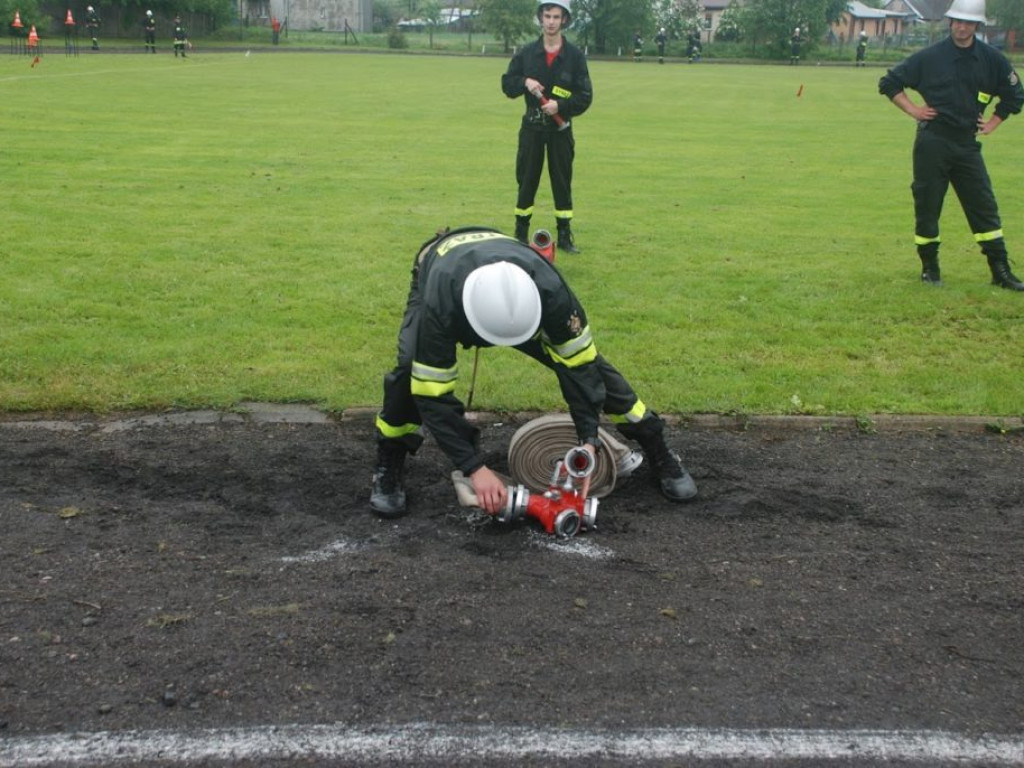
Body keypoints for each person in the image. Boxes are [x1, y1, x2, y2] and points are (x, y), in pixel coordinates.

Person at [370, 226, 699, 519]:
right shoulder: (439, 305)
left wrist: (588, 441)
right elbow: (432, 395)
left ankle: (657, 447)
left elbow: (581, 367)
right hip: (440, 268)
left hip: (510, 278)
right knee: (410, 370)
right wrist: (474, 468)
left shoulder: (551, 293)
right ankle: (389, 463)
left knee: (595, 367)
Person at [878, 0, 1024, 290]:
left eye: (968, 22)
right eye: (957, 21)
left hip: (967, 146)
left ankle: (1001, 270)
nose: (962, 26)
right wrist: (914, 111)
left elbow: (1015, 95)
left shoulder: (991, 59)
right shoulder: (930, 57)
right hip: (933, 142)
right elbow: (889, 83)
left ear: (977, 26)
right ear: (950, 22)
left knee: (984, 206)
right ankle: (930, 268)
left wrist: (993, 123)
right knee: (928, 204)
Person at [501, 0, 593, 254]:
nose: (551, 21)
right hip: (532, 128)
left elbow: (585, 96)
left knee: (562, 181)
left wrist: (560, 106)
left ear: (564, 20)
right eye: (547, 16)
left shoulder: (574, 57)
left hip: (560, 131)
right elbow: (507, 85)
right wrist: (525, 81)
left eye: (556, 16)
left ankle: (564, 236)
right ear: (540, 18)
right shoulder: (527, 53)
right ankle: (520, 233)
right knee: (527, 180)